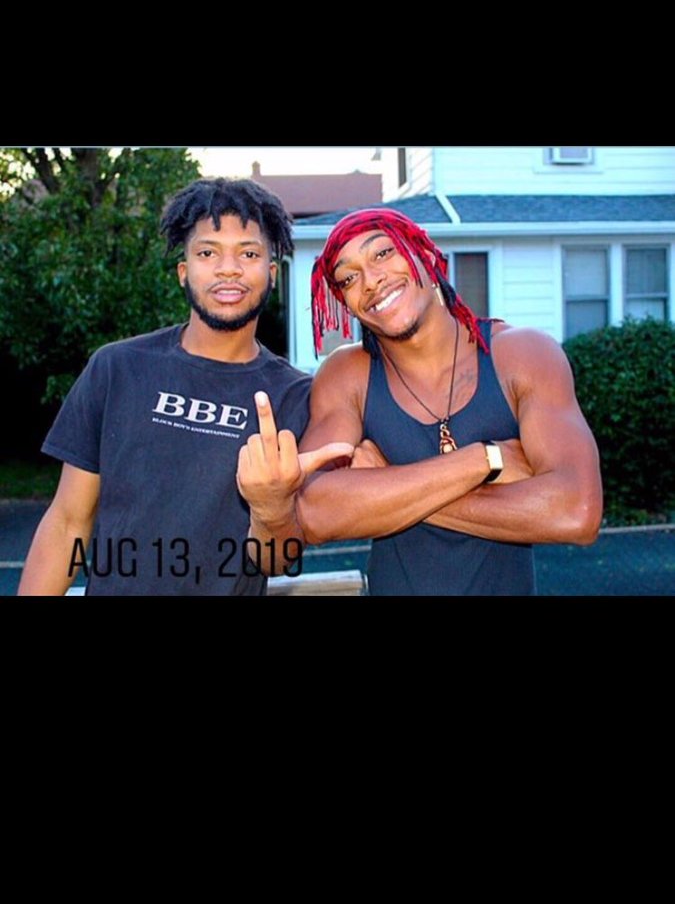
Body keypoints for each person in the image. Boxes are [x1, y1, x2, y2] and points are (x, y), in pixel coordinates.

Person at [238, 207, 603, 596]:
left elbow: (575, 512)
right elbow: (314, 512)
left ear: (426, 256)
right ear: (345, 302)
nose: (371, 281)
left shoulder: (522, 354)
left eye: (383, 253)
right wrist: (483, 461)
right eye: (349, 278)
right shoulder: (348, 374)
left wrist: (382, 486)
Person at [18, 177, 348, 596]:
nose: (228, 268)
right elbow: (67, 522)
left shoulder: (296, 397)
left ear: (271, 273)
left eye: (248, 253)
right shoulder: (117, 368)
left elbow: (279, 558)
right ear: (183, 271)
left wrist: (272, 506)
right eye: (207, 252)